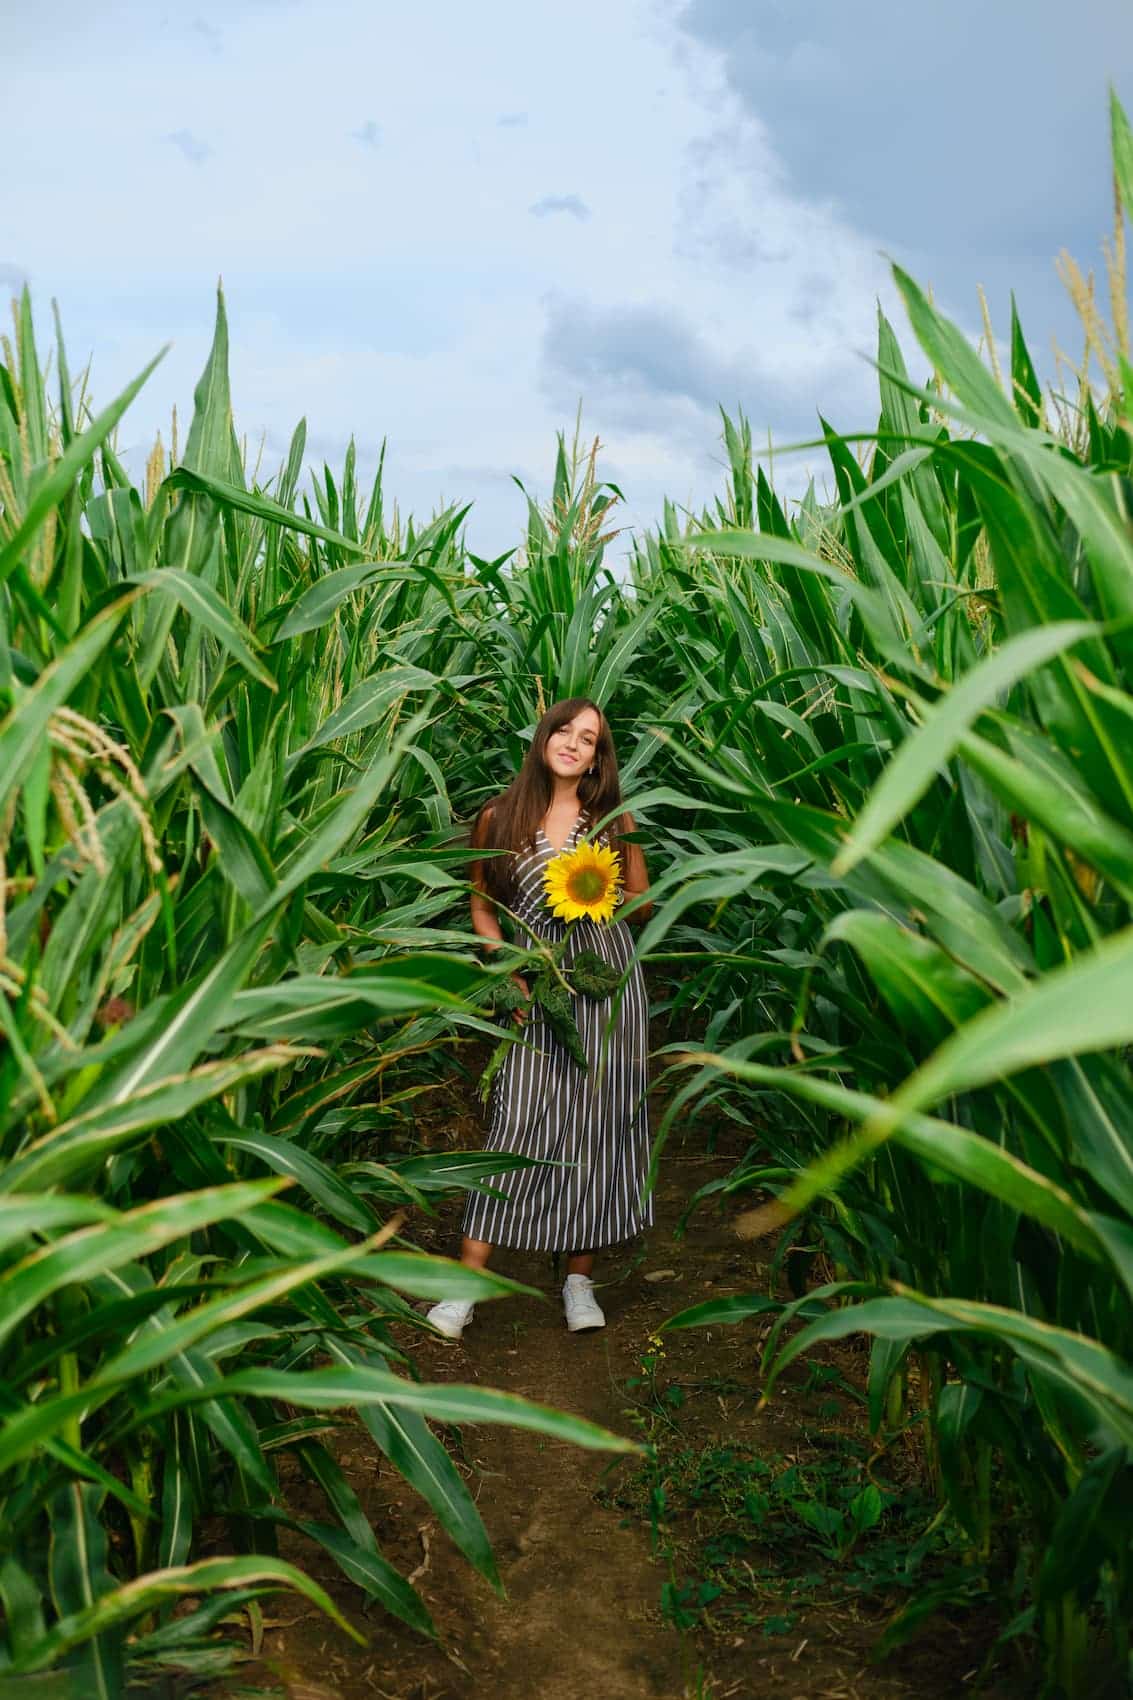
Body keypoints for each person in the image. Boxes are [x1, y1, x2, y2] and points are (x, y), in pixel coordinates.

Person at [426, 697, 654, 1340]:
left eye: (589, 740)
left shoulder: (611, 820)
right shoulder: (499, 818)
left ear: (597, 759)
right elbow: (482, 907)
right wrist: (510, 977)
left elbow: (641, 903)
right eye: (566, 731)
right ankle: (465, 1286)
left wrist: (604, 887)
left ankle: (578, 1281)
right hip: (537, 986)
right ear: (544, 736)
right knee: (518, 1119)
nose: (574, 744)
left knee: (600, 1125)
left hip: (608, 986)